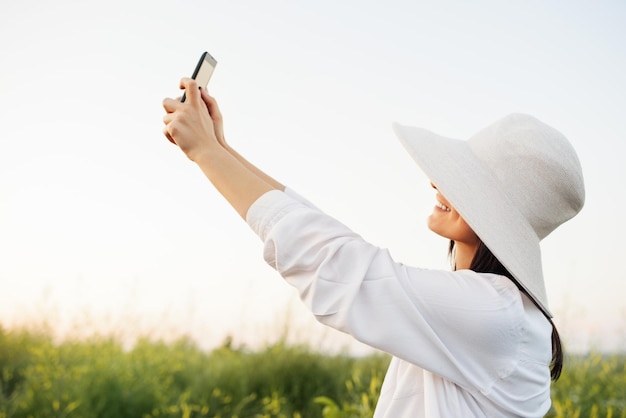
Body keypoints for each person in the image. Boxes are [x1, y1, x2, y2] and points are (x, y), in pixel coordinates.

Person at [162, 78, 585, 417]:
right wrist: (220, 148)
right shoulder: (505, 314)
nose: (437, 184)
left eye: (465, 185)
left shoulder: (495, 315)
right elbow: (334, 240)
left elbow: (340, 265)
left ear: (498, 218)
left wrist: (206, 153)